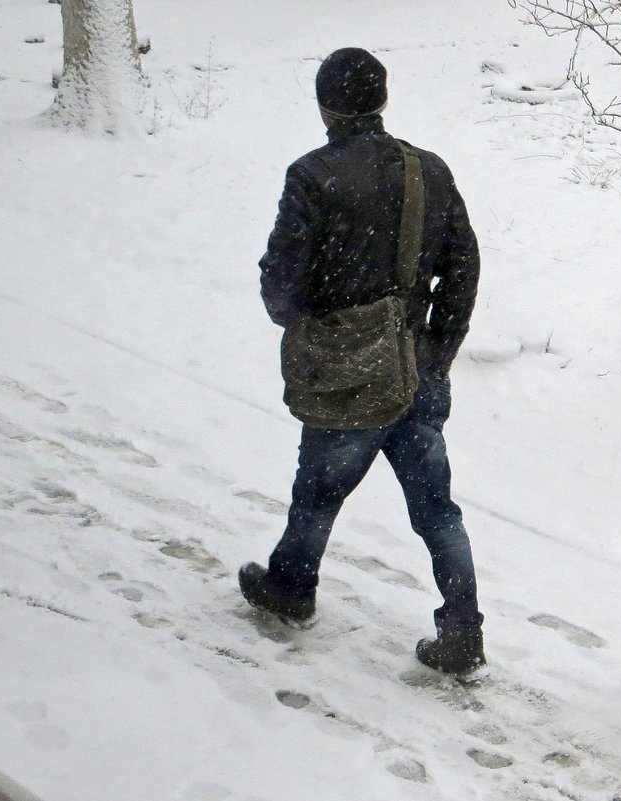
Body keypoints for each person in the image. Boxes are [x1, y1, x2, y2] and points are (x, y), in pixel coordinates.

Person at [238, 48, 485, 675]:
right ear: (381, 101)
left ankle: (292, 590)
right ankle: (462, 631)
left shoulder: (311, 176)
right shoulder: (428, 171)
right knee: (436, 510)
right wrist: (436, 352)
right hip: (415, 367)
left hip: (350, 371)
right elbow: (463, 268)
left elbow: (281, 285)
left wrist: (315, 320)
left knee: (319, 492)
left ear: (326, 106)